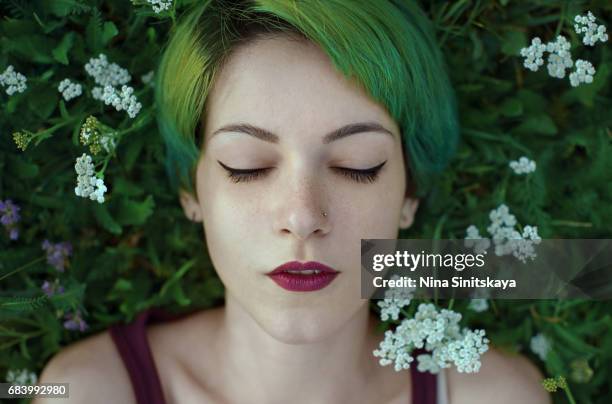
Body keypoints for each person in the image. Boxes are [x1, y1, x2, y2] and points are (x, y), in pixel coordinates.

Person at [36, 1, 550, 403]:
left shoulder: (497, 397)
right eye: (247, 166)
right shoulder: (87, 394)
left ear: (409, 194)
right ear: (190, 191)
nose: (302, 217)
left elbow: (588, 270)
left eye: (358, 165)